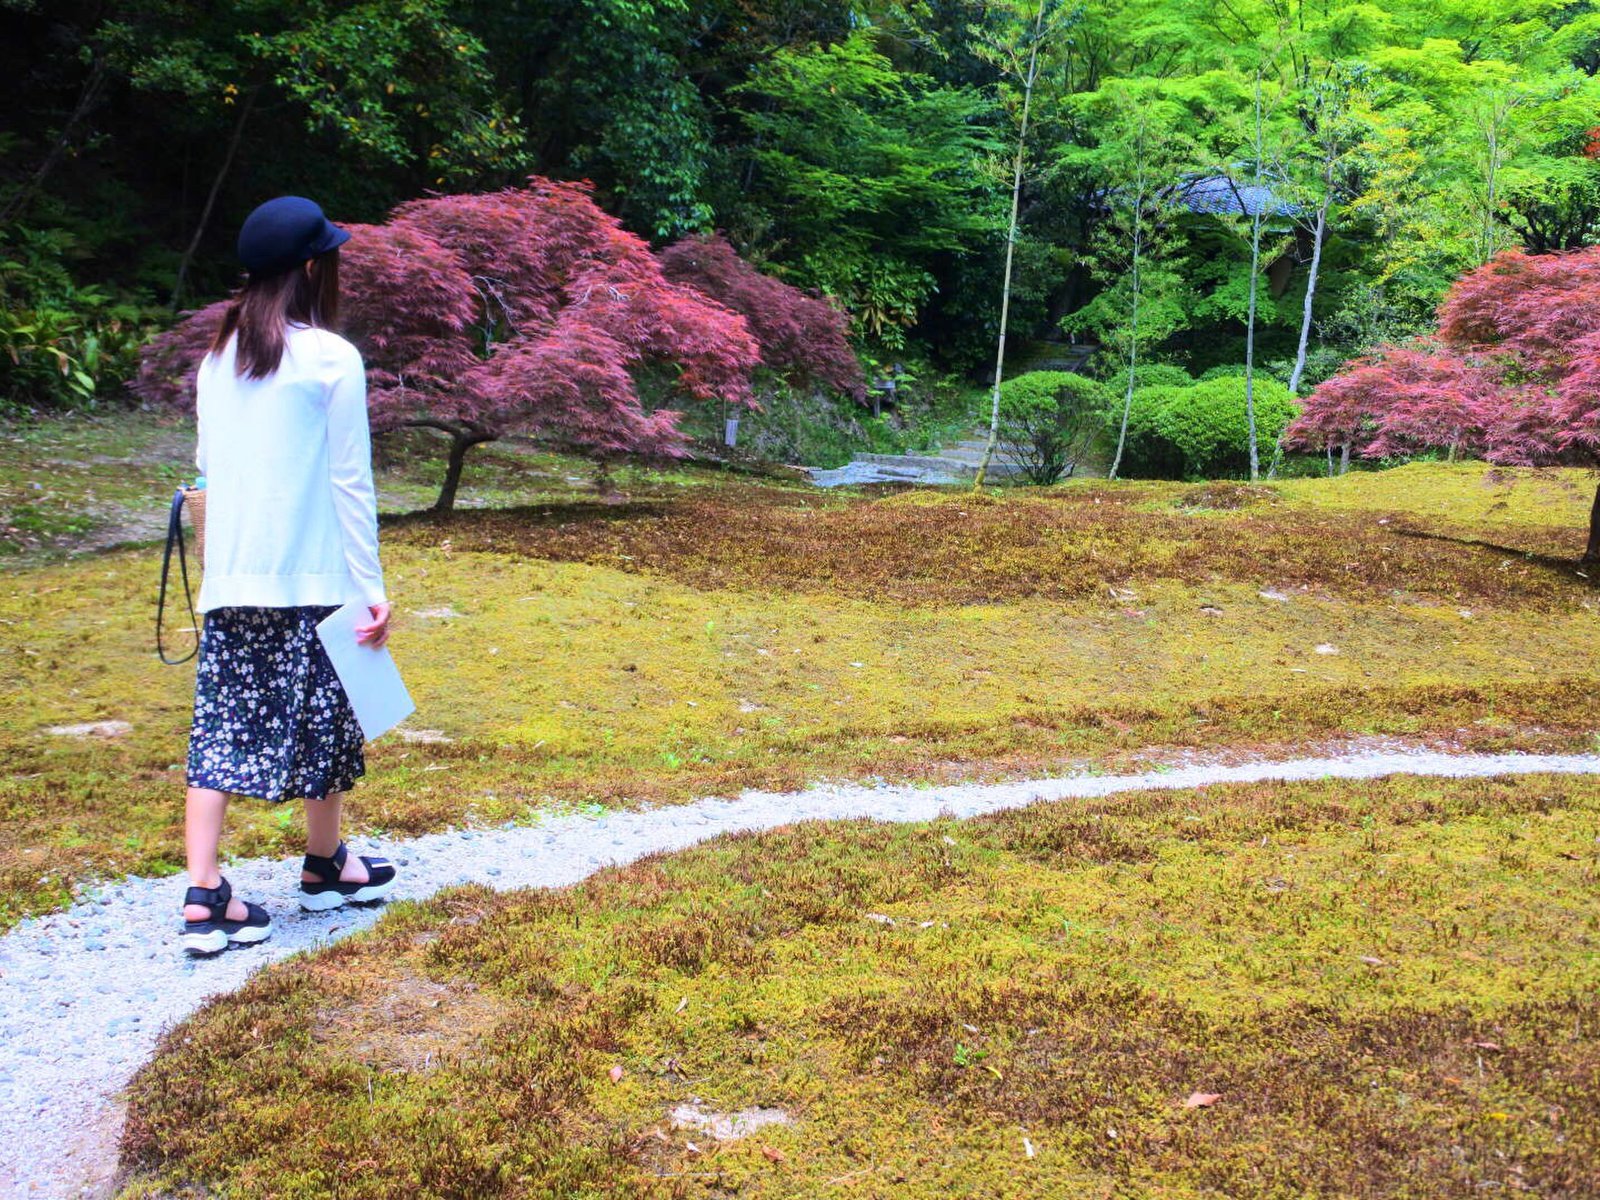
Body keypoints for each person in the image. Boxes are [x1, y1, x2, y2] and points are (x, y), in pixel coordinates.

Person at [179, 196, 398, 955]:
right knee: (328, 719)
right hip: (313, 577)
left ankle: (205, 892)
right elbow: (350, 484)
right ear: (312, 267)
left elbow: (208, 468)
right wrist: (372, 587)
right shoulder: (332, 359)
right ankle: (325, 861)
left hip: (233, 583)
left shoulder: (216, 359)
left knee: (219, 727)